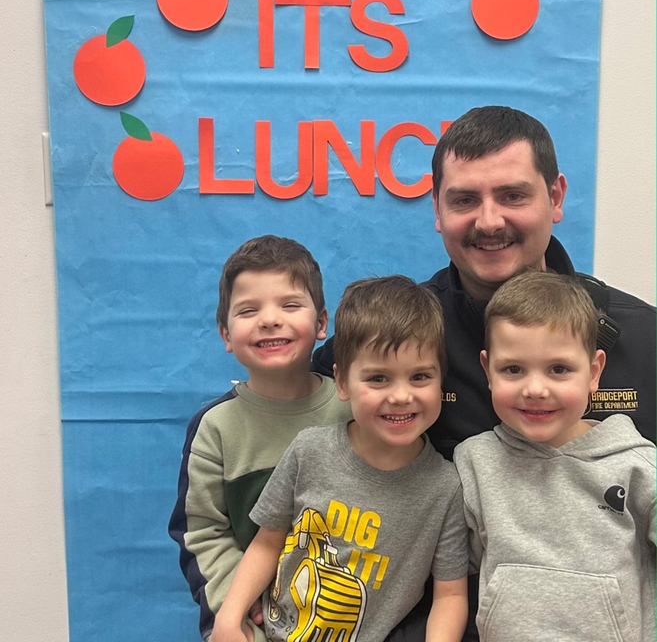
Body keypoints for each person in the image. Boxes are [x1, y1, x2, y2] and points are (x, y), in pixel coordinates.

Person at [313, 106, 656, 457]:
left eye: (512, 196)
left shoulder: (646, 339)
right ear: (437, 209)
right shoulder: (393, 330)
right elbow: (286, 404)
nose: (489, 222)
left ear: (555, 198)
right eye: (465, 200)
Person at [213, 276, 469, 642]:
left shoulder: (446, 489)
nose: (400, 396)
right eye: (378, 378)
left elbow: (451, 594)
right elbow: (267, 542)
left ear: (441, 381)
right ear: (343, 382)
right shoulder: (309, 450)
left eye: (420, 377)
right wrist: (229, 617)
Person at [454, 269, 656, 642]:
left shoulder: (638, 466)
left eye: (558, 369)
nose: (535, 389)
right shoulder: (473, 464)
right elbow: (448, 569)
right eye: (513, 369)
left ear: (594, 372)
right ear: (487, 370)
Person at [169, 235, 351, 642]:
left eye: (289, 305)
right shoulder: (215, 428)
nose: (270, 319)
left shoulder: (354, 410)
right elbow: (202, 532)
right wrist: (238, 610)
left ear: (321, 323)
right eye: (249, 310)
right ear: (225, 334)